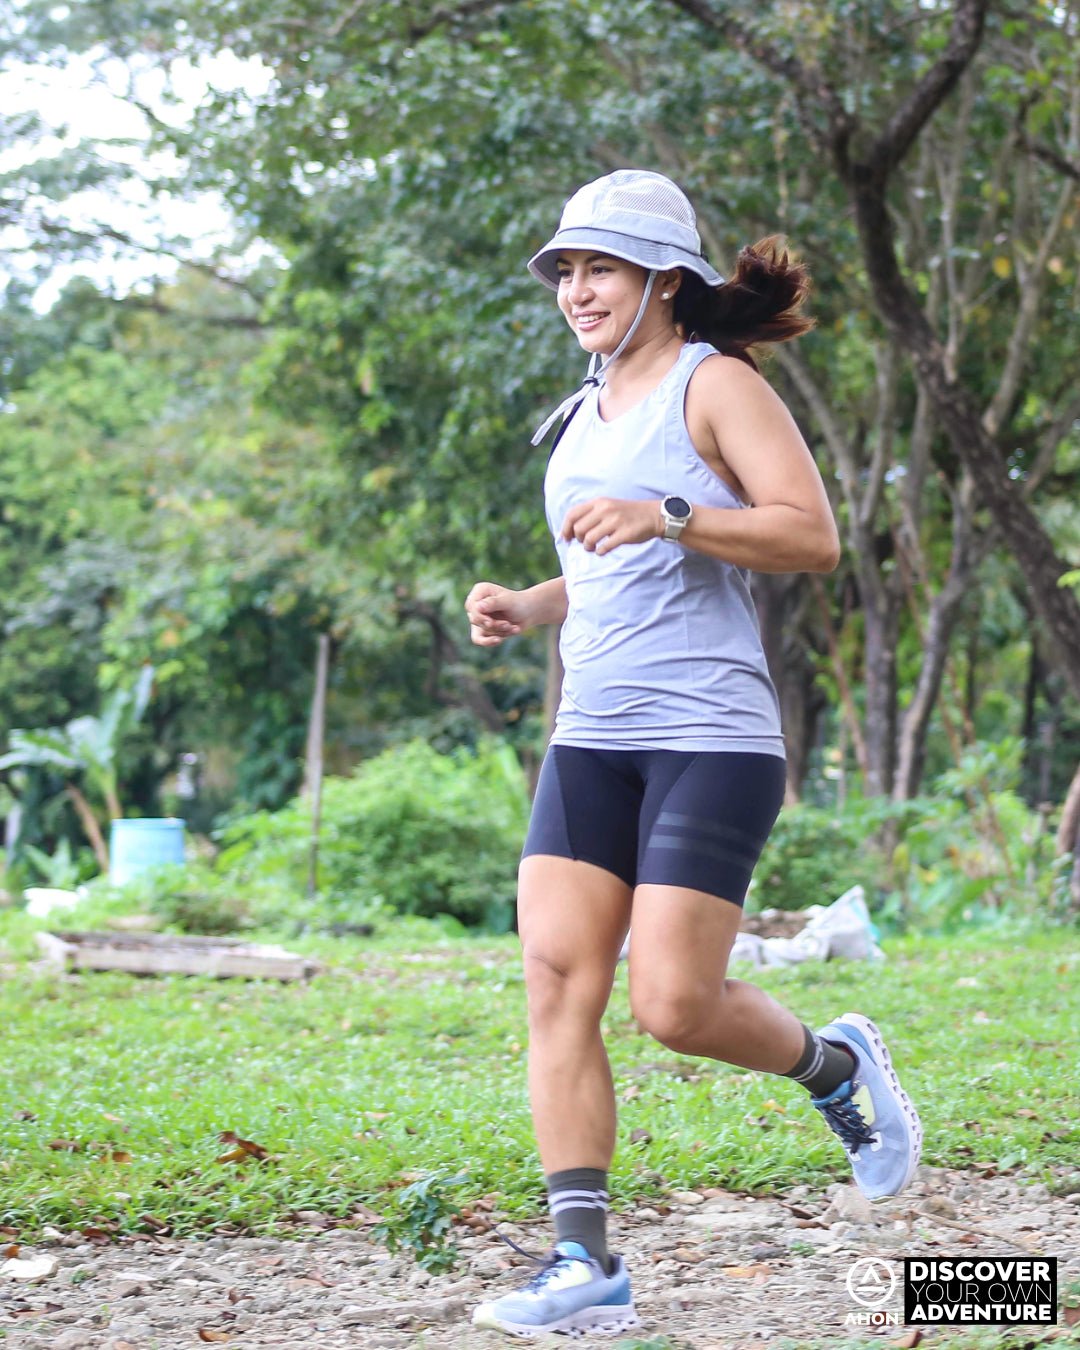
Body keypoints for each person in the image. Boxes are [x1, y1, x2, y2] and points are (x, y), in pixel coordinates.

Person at [464, 169, 922, 1339]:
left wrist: (670, 513)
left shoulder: (714, 386)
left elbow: (810, 536)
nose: (578, 290)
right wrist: (531, 602)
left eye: (602, 268)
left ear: (666, 280)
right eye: (567, 270)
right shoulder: (584, 410)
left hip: (710, 737)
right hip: (592, 736)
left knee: (672, 1003)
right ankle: (584, 1264)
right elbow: (613, 568)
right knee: (557, 980)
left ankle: (833, 1066)